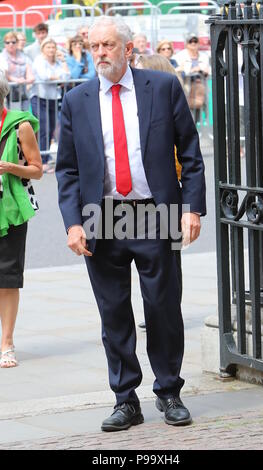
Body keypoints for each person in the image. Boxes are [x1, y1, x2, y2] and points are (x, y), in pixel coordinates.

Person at [56, 16, 206, 432]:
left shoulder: (161, 88)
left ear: (126, 48)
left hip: (154, 211)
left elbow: (190, 154)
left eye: (107, 45)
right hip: (101, 215)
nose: (100, 53)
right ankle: (125, 399)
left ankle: (169, 392)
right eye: (94, 46)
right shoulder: (77, 99)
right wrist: (72, 223)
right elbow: (66, 170)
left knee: (162, 307)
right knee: (114, 312)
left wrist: (191, 208)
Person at [136, 53, 183, 330]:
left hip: (168, 192)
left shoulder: (170, 106)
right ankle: (154, 310)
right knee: (148, 259)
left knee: (170, 259)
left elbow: (182, 158)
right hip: (141, 197)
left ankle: (169, 309)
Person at [0, 74, 42, 368]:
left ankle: (7, 342)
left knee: (7, 279)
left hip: (11, 210)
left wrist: (12, 167)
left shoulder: (20, 126)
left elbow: (38, 169)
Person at [30, 37, 70, 173]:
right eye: (48, 47)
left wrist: (63, 62)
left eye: (53, 47)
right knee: (43, 129)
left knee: (51, 128)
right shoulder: (39, 61)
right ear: (43, 49)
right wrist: (58, 77)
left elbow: (67, 77)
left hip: (53, 98)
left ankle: (45, 157)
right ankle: (42, 160)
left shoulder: (58, 62)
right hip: (39, 98)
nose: (51, 50)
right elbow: (44, 76)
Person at [175, 34, 210, 123]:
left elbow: (209, 70)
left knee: (199, 112)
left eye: (195, 41)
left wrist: (202, 70)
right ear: (186, 44)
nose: (193, 43)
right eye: (190, 41)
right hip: (186, 88)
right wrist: (192, 70)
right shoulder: (179, 56)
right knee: (187, 114)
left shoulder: (204, 56)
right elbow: (177, 71)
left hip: (200, 88)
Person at [0, 32, 34, 111]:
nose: (10, 44)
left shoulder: (23, 56)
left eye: (13, 42)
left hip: (23, 91)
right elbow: (5, 74)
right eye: (7, 42)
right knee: (14, 115)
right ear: (4, 44)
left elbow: (29, 70)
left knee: (24, 115)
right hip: (8, 92)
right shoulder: (2, 57)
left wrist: (28, 79)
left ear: (17, 43)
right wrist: (17, 80)